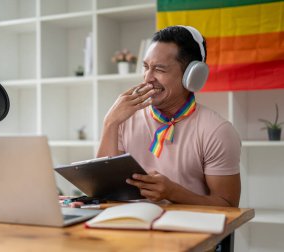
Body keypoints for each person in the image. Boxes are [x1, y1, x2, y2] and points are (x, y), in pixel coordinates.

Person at [97, 25, 241, 207]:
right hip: (133, 227)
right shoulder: (124, 119)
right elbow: (104, 192)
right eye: (146, 67)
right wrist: (110, 123)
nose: (148, 78)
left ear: (191, 76)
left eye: (159, 69)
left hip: (192, 232)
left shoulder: (217, 131)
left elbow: (228, 206)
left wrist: (174, 193)